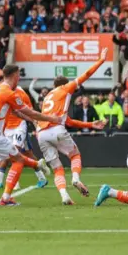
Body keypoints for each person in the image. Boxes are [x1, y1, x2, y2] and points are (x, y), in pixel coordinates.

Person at [0, 65, 56, 206]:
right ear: (15, 75)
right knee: (18, 160)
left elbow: (17, 113)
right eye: (19, 76)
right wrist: (51, 119)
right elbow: (30, 111)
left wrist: (34, 121)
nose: (19, 78)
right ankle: (6, 198)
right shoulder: (9, 93)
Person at [37, 49, 108, 205]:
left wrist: (90, 124)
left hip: (41, 134)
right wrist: (101, 60)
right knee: (75, 156)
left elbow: (68, 121)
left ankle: (64, 196)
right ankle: (75, 179)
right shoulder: (64, 89)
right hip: (55, 129)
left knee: (57, 169)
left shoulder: (49, 96)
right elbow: (86, 75)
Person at [0, 86, 49, 190]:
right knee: (26, 154)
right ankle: (41, 176)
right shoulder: (1, 92)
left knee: (13, 152)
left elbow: (30, 110)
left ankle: (12, 181)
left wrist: (35, 125)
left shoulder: (21, 94)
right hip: (7, 128)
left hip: (19, 126)